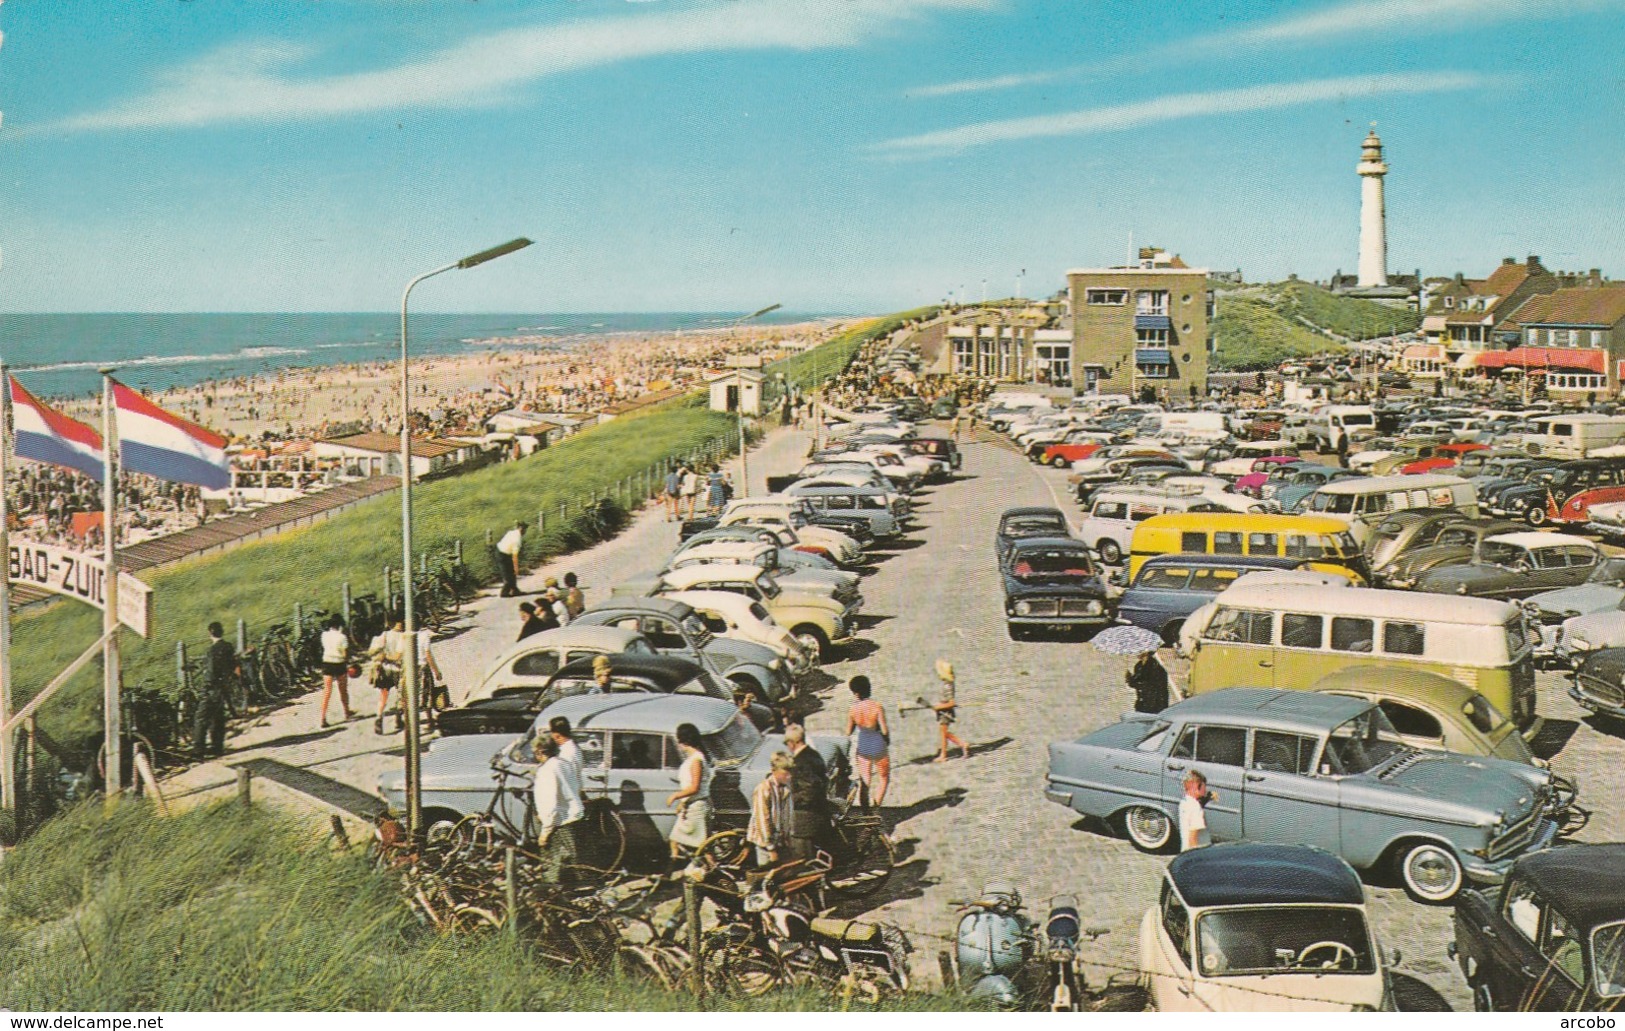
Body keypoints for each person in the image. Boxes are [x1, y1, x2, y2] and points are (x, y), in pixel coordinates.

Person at [533, 734, 585, 882]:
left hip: (559, 822)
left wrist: (545, 832)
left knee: (553, 868)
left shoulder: (547, 771)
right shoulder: (564, 764)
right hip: (573, 817)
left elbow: (551, 804)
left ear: (541, 751)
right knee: (572, 860)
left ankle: (552, 895)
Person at [665, 722, 713, 861]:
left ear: (682, 741)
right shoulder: (695, 758)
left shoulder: (696, 760)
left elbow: (694, 787)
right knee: (675, 839)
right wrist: (683, 803)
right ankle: (671, 869)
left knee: (703, 846)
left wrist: (675, 796)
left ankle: (713, 871)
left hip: (697, 807)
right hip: (691, 805)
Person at [783, 724, 829, 861]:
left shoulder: (800, 763)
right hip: (819, 811)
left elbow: (809, 792)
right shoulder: (814, 755)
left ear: (793, 743)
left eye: (787, 742)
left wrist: (790, 800)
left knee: (803, 859)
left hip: (806, 818)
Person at [192, 621, 236, 760]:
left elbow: (210, 672)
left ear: (210, 633)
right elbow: (233, 665)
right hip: (223, 687)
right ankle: (218, 747)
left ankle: (198, 750)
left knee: (201, 718)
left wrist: (206, 685)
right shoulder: (228, 647)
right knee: (218, 718)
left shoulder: (211, 651)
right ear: (222, 632)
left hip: (212, 687)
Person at [845, 676, 890, 806]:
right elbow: (885, 730)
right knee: (883, 778)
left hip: (863, 742)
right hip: (877, 741)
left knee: (865, 779)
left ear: (855, 692)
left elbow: (848, 731)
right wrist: (886, 739)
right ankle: (876, 806)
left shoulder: (853, 709)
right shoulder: (877, 706)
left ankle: (865, 810)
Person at [747, 752, 796, 867]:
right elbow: (763, 820)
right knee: (767, 875)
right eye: (786, 773)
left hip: (780, 841)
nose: (789, 776)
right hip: (766, 844)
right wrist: (770, 848)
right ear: (775, 770)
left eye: (791, 773)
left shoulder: (786, 788)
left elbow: (787, 817)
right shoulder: (764, 789)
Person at [369, 619, 406, 734]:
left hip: (385, 669)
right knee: (402, 695)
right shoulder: (404, 636)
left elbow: (372, 651)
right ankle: (398, 717)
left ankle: (379, 718)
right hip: (399, 669)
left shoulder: (384, 635)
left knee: (383, 695)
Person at [318, 614, 354, 729]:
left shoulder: (324, 635)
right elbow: (344, 654)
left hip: (327, 663)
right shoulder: (342, 637)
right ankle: (347, 712)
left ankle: (323, 718)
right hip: (339, 664)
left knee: (327, 692)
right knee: (343, 690)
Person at [931, 659, 969, 763]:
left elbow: (951, 702)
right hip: (943, 711)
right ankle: (944, 753)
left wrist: (939, 707)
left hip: (945, 712)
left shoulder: (948, 685)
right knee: (944, 733)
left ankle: (960, 745)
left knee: (944, 733)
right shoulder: (947, 683)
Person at [1180, 769, 1215, 852]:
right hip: (1199, 853)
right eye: (1204, 786)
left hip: (1185, 850)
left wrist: (1207, 799)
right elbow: (1193, 836)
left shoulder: (1185, 802)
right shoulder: (1195, 808)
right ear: (1196, 786)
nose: (1205, 789)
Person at [495, 521, 526, 597]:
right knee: (508, 574)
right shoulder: (517, 539)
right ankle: (504, 592)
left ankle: (515, 590)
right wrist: (516, 568)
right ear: (521, 529)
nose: (525, 531)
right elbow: (515, 556)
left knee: (511, 573)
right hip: (502, 554)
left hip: (502, 551)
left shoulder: (512, 532)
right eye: (524, 529)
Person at [549, 716, 583, 780]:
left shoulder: (568, 751)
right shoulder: (572, 748)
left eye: (551, 732)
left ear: (556, 735)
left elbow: (565, 776)